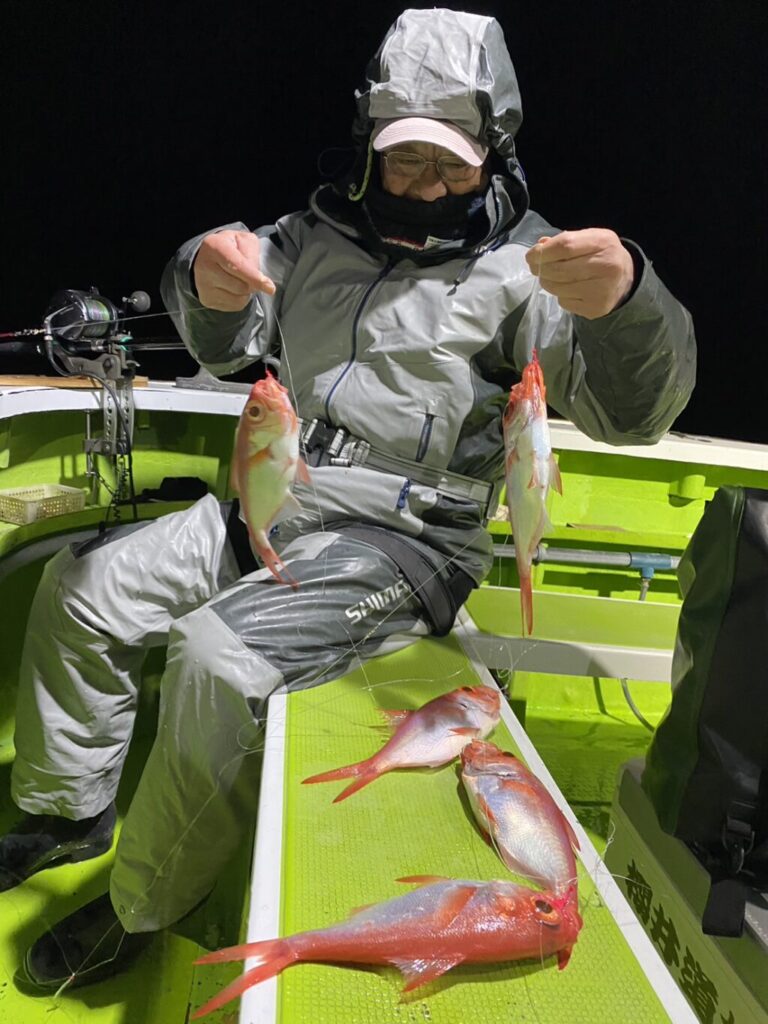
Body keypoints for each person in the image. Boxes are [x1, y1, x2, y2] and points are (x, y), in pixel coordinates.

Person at [0, 7, 695, 993]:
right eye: (405, 158)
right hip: (278, 497)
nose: (426, 182)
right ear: (371, 145)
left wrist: (628, 306)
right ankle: (68, 811)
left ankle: (145, 904)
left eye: (451, 163)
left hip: (401, 539)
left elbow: (635, 416)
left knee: (216, 659)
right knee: (82, 589)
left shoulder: (533, 269)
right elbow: (222, 347)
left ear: (495, 152)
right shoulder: (309, 237)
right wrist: (202, 275)